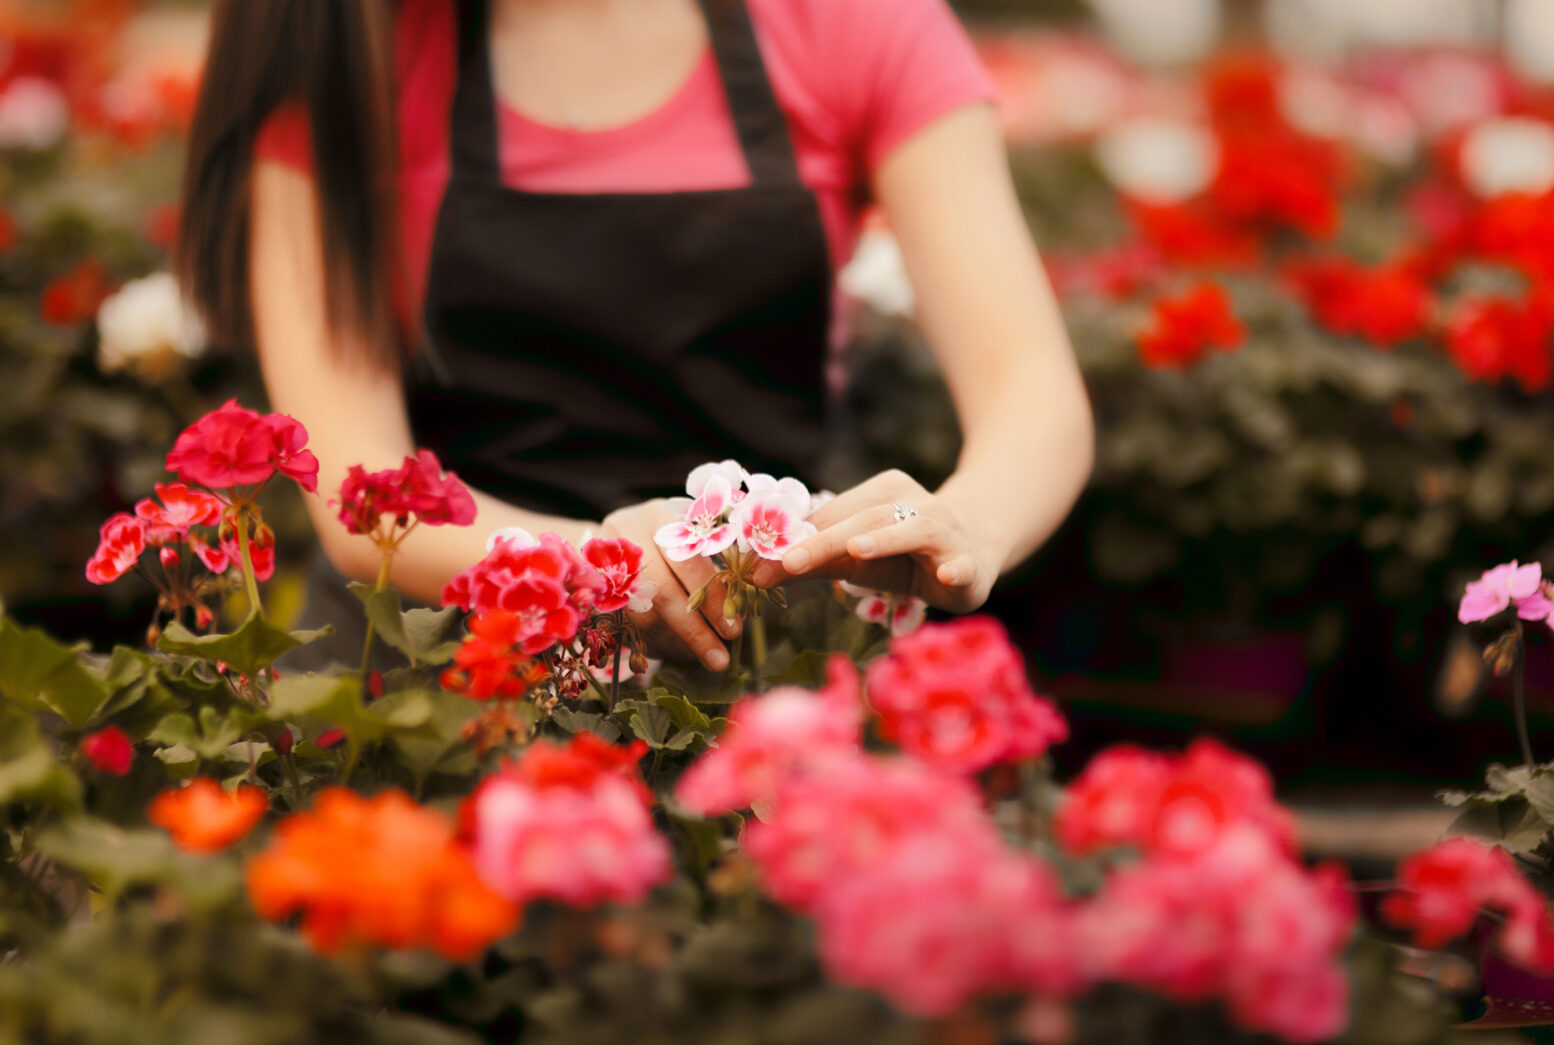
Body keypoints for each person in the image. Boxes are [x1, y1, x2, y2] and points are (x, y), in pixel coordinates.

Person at [175, 0, 1093, 671]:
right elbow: (361, 494)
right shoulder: (341, 36)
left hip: (764, 644)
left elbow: (1030, 389)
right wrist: (609, 570)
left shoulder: (848, 22)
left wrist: (972, 523)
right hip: (439, 665)